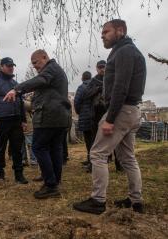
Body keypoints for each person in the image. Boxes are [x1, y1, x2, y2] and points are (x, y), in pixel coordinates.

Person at [73, 19, 146, 214]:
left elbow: (120, 87)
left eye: (106, 31)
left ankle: (98, 201)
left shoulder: (124, 52)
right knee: (128, 157)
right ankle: (136, 201)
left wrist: (110, 119)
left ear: (120, 31)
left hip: (121, 111)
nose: (102, 35)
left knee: (97, 154)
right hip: (132, 110)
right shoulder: (126, 50)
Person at [4, 50, 71, 198]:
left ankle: (51, 185)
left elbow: (40, 81)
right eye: (32, 64)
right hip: (59, 116)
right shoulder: (54, 71)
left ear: (44, 57)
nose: (34, 66)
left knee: (38, 147)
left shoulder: (50, 69)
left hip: (50, 117)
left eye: (36, 62)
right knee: (54, 149)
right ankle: (54, 181)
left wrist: (17, 89)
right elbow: (45, 92)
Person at [0, 57, 28, 184]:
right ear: (2, 67)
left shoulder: (16, 84)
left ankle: (19, 174)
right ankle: (0, 173)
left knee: (17, 148)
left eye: (12, 66)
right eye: (8, 65)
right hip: (1, 121)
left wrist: (23, 120)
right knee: (0, 148)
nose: (11, 68)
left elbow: (20, 103)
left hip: (16, 120)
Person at [74, 71, 93, 170]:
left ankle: (91, 162)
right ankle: (90, 160)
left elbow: (76, 102)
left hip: (85, 117)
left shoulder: (81, 88)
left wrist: (79, 112)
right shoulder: (96, 86)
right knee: (94, 141)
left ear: (82, 78)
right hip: (96, 117)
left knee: (88, 140)